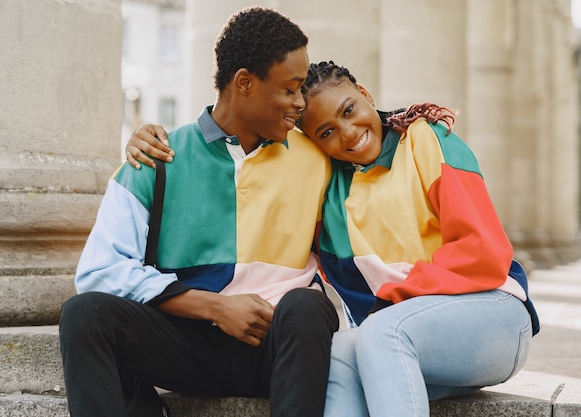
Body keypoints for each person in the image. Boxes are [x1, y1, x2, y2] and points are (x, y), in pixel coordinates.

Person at [128, 60, 540, 417]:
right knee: (339, 356)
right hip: (405, 343)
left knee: (381, 333)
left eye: (349, 109)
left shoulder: (426, 140)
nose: (347, 132)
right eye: (325, 132)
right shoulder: (324, 188)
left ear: (364, 93)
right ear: (311, 141)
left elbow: (483, 252)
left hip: (493, 317)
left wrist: (392, 300)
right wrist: (155, 139)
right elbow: (242, 182)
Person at [59, 8, 339, 417]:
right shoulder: (157, 158)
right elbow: (99, 271)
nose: (300, 103)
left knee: (309, 306)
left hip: (280, 347)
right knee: (84, 315)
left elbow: (366, 148)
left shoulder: (316, 159)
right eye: (290, 89)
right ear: (244, 82)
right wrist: (216, 307)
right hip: (188, 345)